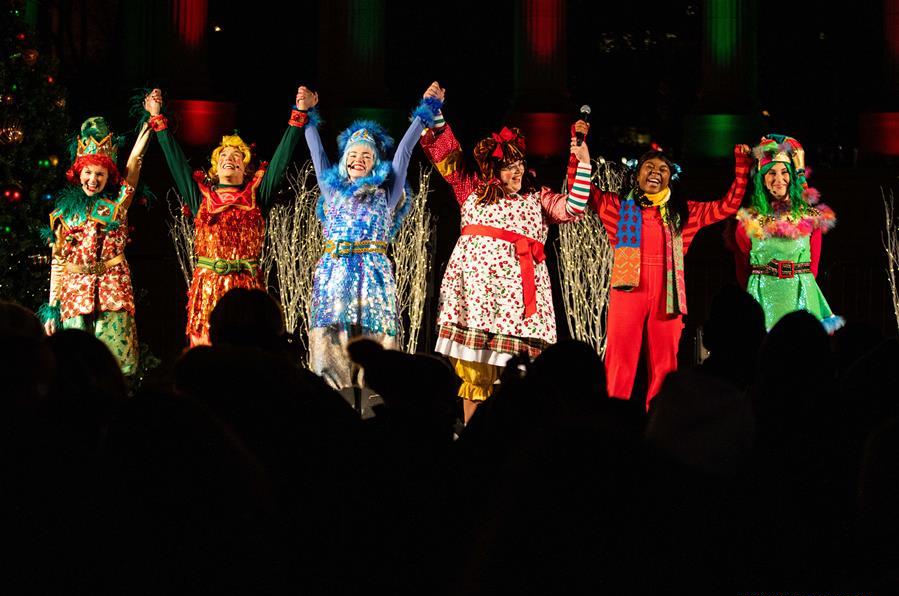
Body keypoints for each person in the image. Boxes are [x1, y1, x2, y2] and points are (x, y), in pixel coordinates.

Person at [420, 81, 593, 422]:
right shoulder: (472, 188)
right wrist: (434, 112)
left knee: (519, 379)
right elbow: (447, 153)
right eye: (508, 166)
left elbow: (572, 208)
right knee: (476, 377)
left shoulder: (537, 197)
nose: (516, 171)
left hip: (520, 302)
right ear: (493, 169)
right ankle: (472, 440)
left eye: (519, 164)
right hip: (478, 297)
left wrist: (581, 160)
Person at [570, 120, 752, 408]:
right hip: (627, 291)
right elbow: (578, 190)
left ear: (671, 178)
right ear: (637, 174)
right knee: (619, 362)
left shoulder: (686, 213)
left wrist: (742, 165)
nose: (655, 173)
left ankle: (657, 424)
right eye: (649, 168)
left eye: (663, 169)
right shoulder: (615, 207)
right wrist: (579, 158)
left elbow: (728, 206)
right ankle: (614, 422)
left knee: (666, 366)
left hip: (669, 296)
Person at [298, 85, 441, 389]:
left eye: (366, 155)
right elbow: (317, 153)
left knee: (376, 344)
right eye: (353, 154)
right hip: (334, 276)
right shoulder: (332, 191)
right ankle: (333, 406)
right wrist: (307, 114)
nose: (358, 159)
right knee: (331, 344)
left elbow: (404, 150)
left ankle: (378, 406)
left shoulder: (386, 195)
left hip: (373, 276)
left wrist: (426, 111)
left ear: (376, 162)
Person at [145, 87, 308, 346]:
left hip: (247, 290)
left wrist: (299, 114)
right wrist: (158, 119)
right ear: (215, 166)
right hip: (208, 287)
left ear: (246, 168)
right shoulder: (201, 198)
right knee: (207, 354)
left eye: (237, 157)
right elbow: (176, 163)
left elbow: (280, 161)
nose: (229, 159)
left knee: (249, 352)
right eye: (224, 155)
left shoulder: (257, 198)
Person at [40, 110, 153, 375]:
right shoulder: (63, 214)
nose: (93, 180)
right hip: (74, 296)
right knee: (75, 365)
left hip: (113, 291)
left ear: (109, 176)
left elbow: (135, 162)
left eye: (100, 174)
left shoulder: (116, 205)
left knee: (116, 365)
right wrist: (52, 308)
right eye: (88, 172)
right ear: (79, 173)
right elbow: (58, 262)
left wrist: (150, 122)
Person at [731, 134, 843, 332]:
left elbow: (813, 268)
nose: (779, 179)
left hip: (802, 294)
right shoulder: (748, 221)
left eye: (785, 172)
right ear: (762, 180)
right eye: (771, 173)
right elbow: (743, 269)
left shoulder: (809, 219)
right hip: (763, 296)